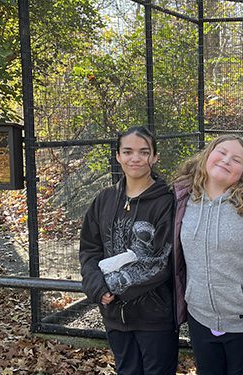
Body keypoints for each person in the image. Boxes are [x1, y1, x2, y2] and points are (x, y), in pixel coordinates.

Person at [171, 135, 243, 375]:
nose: (226, 160)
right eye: (221, 152)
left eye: (236, 159)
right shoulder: (182, 198)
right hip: (199, 318)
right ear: (207, 155)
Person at [79, 126, 178, 375]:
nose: (136, 158)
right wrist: (97, 287)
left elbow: (161, 260)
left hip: (155, 315)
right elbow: (90, 249)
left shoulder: (167, 201)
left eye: (144, 152)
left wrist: (112, 284)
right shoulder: (104, 199)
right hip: (114, 314)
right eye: (128, 151)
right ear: (118, 156)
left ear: (154, 157)